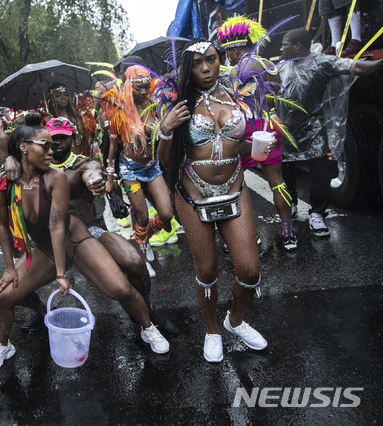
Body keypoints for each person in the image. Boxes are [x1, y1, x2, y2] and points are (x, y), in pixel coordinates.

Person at [0, 113, 169, 372]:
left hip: (76, 240)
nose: (51, 150)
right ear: (24, 148)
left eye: (55, 144)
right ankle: (3, 345)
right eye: (46, 145)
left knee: (120, 290)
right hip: (46, 249)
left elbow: (57, 225)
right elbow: (2, 225)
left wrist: (61, 273)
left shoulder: (55, 177)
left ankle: (148, 327)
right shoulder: (3, 181)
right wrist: (8, 266)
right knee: (3, 297)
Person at [158, 38, 272, 363]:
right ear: (187, 69)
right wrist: (167, 128)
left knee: (249, 271)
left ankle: (234, 320)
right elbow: (165, 161)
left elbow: (239, 146)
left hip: (235, 190)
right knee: (207, 270)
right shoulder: (180, 103)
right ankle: (212, 330)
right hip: (194, 195)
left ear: (219, 59)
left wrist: (259, 148)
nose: (206, 68)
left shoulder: (234, 94)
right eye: (197, 63)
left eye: (211, 59)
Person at [18, 116, 179, 336]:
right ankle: (42, 312)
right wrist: (9, 160)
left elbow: (92, 171)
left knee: (134, 262)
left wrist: (95, 179)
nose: (56, 144)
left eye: (62, 138)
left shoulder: (82, 163)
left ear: (72, 138)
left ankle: (147, 312)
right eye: (52, 139)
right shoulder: (34, 169)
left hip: (88, 233)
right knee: (12, 288)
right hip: (50, 243)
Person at [278, 28, 383, 236]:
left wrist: (379, 64)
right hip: (287, 131)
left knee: (322, 173)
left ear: (298, 45)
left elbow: (357, 67)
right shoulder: (281, 67)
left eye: (285, 44)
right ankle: (291, 205)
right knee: (285, 172)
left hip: (314, 130)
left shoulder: (321, 63)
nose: (281, 48)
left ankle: (317, 214)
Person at [218, 16, 297, 250]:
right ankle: (288, 234)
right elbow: (275, 97)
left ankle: (251, 237)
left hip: (245, 129)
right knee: (277, 182)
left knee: (238, 186)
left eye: (227, 52)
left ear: (234, 49)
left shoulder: (233, 71)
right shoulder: (269, 65)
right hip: (270, 125)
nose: (227, 56)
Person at [102, 66, 179, 262]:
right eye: (138, 89)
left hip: (152, 167)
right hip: (130, 169)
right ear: (129, 87)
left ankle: (143, 239)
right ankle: (142, 255)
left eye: (146, 87)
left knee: (166, 213)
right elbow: (112, 148)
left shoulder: (155, 105)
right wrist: (110, 178)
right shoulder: (118, 110)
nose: (143, 92)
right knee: (142, 217)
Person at [47, 83, 92, 156]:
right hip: (59, 157)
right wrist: (48, 125)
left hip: (78, 156)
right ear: (52, 98)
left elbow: (83, 138)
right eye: (58, 95)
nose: (63, 97)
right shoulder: (48, 119)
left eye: (66, 95)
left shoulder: (76, 116)